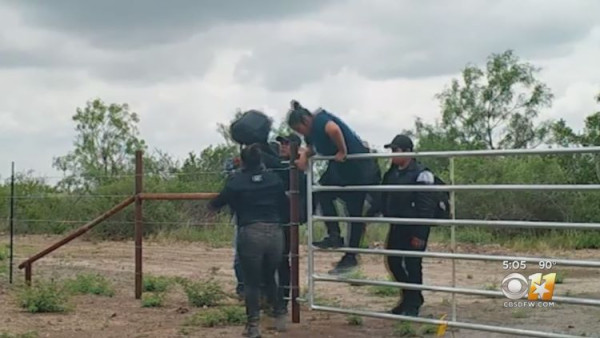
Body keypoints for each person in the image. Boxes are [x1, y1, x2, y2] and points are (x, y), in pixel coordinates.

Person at [287, 100, 380, 274]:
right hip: (340, 168)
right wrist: (304, 158)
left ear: (306, 121)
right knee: (322, 191)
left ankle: (351, 256)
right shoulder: (311, 132)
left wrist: (342, 150)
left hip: (358, 167)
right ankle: (334, 235)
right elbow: (311, 148)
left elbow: (334, 129)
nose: (300, 133)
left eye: (299, 129)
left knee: (354, 214)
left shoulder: (320, 120)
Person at [209, 144, 288, 337]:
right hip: (275, 233)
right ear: (260, 161)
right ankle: (279, 317)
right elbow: (284, 205)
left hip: (250, 232)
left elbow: (217, 203)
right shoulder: (274, 180)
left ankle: (253, 327)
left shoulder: (237, 182)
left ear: (242, 162)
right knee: (270, 277)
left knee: (251, 282)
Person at [380, 134, 437, 317]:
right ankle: (410, 297)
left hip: (415, 226)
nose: (392, 154)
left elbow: (426, 206)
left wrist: (420, 234)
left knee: (413, 264)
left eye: (395, 150)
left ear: (407, 152)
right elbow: (382, 196)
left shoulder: (422, 173)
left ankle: (413, 304)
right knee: (393, 262)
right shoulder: (392, 173)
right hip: (397, 225)